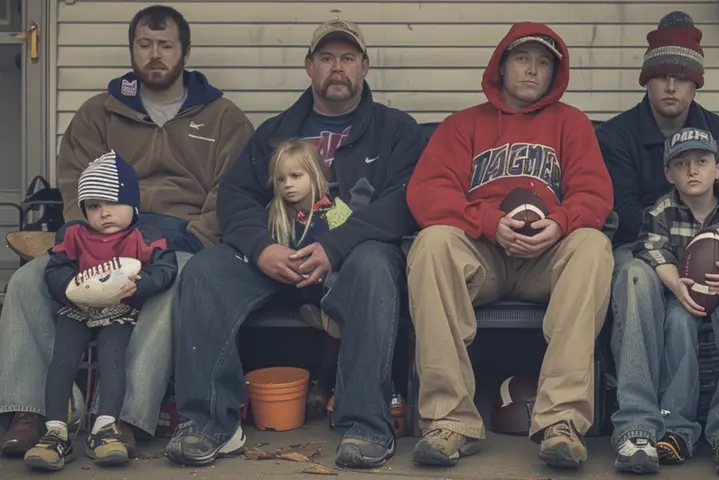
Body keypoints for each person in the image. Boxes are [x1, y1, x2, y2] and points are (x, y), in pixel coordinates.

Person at [165, 19, 426, 469]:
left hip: (351, 258)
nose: (337, 68)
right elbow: (237, 197)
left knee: (375, 268)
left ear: (364, 66)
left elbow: (404, 201)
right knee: (205, 271)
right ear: (309, 67)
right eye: (326, 58)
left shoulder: (396, 130)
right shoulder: (276, 132)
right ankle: (209, 425)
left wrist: (335, 247)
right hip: (278, 255)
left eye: (347, 58)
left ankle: (365, 425)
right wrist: (263, 249)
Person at [0, 4, 252, 456]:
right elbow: (75, 182)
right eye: (144, 44)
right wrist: (87, 239)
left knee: (171, 289)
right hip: (97, 236)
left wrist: (194, 239)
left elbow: (233, 191)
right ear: (132, 49)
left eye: (166, 45)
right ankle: (32, 411)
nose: (155, 54)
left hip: (180, 237)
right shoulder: (99, 112)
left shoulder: (222, 117)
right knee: (23, 283)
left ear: (185, 52)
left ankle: (121, 420)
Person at [405, 22, 614, 469]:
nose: (532, 70)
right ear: (501, 66)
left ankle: (561, 422)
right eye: (522, 59)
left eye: (543, 63)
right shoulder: (463, 125)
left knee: (593, 245)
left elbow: (594, 194)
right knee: (432, 243)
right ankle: (450, 421)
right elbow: (428, 192)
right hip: (484, 255)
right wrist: (487, 222)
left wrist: (559, 224)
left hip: (546, 258)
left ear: (554, 74)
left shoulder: (571, 123)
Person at [611, 128, 719, 477]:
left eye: (701, 162)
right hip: (678, 302)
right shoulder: (661, 210)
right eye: (681, 163)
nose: (692, 170)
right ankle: (641, 429)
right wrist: (676, 283)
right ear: (668, 173)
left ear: (718, 169)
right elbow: (649, 248)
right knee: (639, 278)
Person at [24, 152, 178, 471]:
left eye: (112, 202)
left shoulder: (143, 233)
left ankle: (105, 428)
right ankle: (55, 433)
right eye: (93, 206)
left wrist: (142, 284)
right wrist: (68, 289)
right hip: (78, 309)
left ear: (132, 204)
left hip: (118, 310)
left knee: (113, 360)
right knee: (62, 360)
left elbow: (166, 268)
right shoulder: (74, 234)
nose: (104, 213)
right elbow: (55, 269)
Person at [595, 11, 719, 264]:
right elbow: (622, 215)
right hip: (638, 248)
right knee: (631, 273)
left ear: (696, 84)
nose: (671, 87)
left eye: (682, 78)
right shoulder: (614, 136)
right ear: (647, 81)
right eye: (662, 76)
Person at [265, 139, 353, 339]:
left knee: (342, 279)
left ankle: (330, 315)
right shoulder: (276, 215)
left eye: (295, 176)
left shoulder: (336, 210)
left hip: (328, 281)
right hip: (294, 286)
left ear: (315, 174)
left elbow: (348, 246)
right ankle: (324, 316)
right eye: (280, 179)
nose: (288, 184)